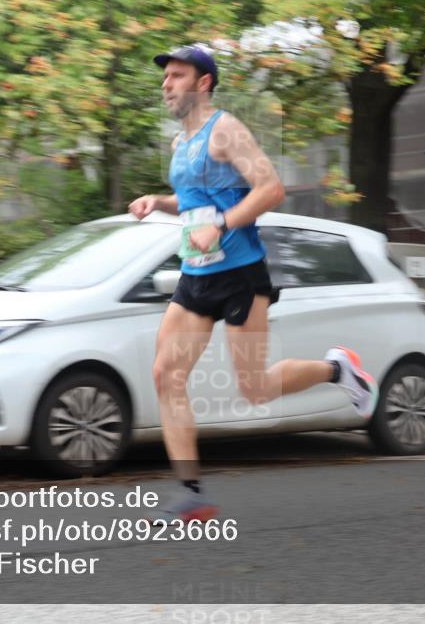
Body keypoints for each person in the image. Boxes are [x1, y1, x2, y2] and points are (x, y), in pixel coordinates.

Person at [128, 45, 378, 522]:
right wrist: (158, 202)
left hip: (240, 274)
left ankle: (337, 369)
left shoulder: (225, 130)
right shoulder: (182, 144)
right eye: (166, 78)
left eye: (177, 76)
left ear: (203, 83)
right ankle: (192, 493)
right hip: (196, 274)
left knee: (255, 389)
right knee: (166, 374)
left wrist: (220, 226)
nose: (166, 85)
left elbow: (270, 189)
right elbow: (195, 202)